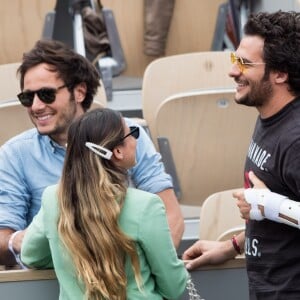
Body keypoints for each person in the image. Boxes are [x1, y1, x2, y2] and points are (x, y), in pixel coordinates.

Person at [0, 39, 184, 267]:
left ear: (79, 92)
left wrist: (138, 276)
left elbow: (171, 217)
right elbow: (3, 241)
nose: (36, 106)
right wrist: (17, 240)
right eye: (27, 97)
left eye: (46, 94)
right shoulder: (14, 154)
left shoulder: (127, 134)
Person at [183, 10, 300, 299]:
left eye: (245, 63)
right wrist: (232, 246)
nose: (233, 71)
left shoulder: (296, 138)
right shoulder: (270, 115)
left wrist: (270, 204)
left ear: (280, 73)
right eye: (235, 59)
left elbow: (271, 205)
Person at [20, 107, 188, 300]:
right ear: (117, 151)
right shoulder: (147, 206)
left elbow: (31, 256)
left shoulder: (53, 198)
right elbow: (173, 287)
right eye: (132, 134)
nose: (135, 141)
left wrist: (74, 259)